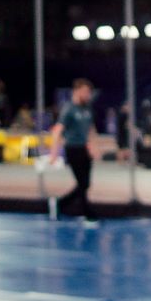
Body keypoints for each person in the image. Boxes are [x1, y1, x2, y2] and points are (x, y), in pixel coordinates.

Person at [49, 79, 99, 224]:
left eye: (89, 92)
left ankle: (60, 203)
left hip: (84, 148)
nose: (88, 95)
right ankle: (87, 213)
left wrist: (94, 147)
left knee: (86, 184)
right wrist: (54, 153)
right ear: (76, 91)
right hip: (73, 148)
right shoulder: (69, 109)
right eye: (85, 91)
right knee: (82, 183)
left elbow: (91, 129)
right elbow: (57, 131)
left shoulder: (87, 108)